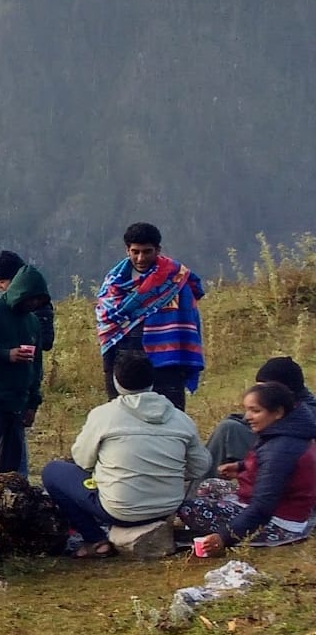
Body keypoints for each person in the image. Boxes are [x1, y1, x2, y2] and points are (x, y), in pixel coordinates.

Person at [40, 351, 212, 559]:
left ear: (116, 380)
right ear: (152, 380)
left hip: (120, 511)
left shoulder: (103, 415)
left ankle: (95, 539)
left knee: (53, 472)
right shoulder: (180, 418)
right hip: (168, 507)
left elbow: (82, 461)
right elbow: (200, 466)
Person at [183, 381, 316, 554]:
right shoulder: (286, 435)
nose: (247, 417)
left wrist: (224, 537)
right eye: (247, 410)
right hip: (280, 509)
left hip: (279, 524)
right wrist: (241, 467)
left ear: (278, 412)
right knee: (209, 485)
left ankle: (210, 536)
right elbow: (277, 471)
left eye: (255, 411)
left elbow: (262, 507)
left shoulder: (281, 448)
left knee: (189, 508)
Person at [96, 222, 205, 408]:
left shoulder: (175, 280)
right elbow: (108, 330)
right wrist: (109, 369)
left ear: (157, 250)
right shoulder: (113, 285)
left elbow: (188, 322)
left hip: (167, 364)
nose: (140, 258)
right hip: (125, 364)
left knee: (169, 417)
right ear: (127, 250)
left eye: (147, 251)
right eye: (135, 252)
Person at [0, 262, 51, 481]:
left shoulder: (33, 322)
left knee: (10, 464)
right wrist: (6, 355)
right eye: (31, 298)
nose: (34, 303)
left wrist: (32, 403)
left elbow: (36, 366)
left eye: (39, 299)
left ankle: (3, 505)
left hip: (18, 403)